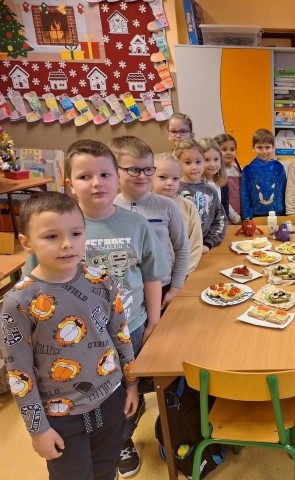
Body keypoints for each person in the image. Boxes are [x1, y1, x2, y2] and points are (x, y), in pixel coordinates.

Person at [0, 191, 138, 480]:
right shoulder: (18, 302)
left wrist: (132, 384)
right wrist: (38, 429)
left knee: (106, 470)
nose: (67, 244)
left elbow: (120, 335)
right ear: (26, 242)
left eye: (76, 233)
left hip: (110, 398)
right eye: (51, 236)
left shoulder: (101, 280)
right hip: (60, 415)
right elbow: (19, 373)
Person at [62, 140, 170, 477]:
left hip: (131, 325)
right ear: (69, 184)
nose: (97, 183)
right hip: (80, 336)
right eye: (85, 176)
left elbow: (152, 275)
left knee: (129, 389)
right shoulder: (58, 228)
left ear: (117, 177)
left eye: (105, 174)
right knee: (94, 393)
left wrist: (154, 321)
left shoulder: (136, 225)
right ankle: (102, 440)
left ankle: (123, 439)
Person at [110, 136, 189, 311]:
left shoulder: (167, 206)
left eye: (148, 169)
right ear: (115, 170)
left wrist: (176, 287)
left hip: (163, 285)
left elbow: (182, 248)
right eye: (133, 170)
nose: (142, 176)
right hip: (125, 290)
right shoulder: (109, 207)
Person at [153, 153, 203, 275]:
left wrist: (181, 273)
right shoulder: (141, 205)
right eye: (163, 177)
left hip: (181, 274)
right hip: (150, 277)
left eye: (175, 178)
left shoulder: (188, 206)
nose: (170, 183)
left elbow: (196, 244)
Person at [175, 139, 227, 253]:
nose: (194, 167)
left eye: (198, 162)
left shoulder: (210, 191)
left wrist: (208, 243)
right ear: (178, 164)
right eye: (188, 162)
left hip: (202, 249)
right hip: (177, 249)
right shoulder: (173, 189)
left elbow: (219, 221)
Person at [240, 128, 287, 219]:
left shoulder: (278, 168)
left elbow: (284, 190)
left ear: (273, 147)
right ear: (253, 147)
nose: (264, 151)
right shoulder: (248, 170)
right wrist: (247, 218)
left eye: (267, 147)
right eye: (260, 147)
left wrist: (286, 213)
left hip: (278, 214)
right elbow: (245, 196)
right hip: (256, 215)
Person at [200, 137, 240, 223]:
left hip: (218, 227)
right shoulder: (197, 184)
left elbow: (224, 208)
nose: (212, 164)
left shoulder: (222, 182)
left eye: (216, 159)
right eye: (206, 160)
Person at [214, 133, 243, 223]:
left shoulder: (238, 169)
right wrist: (236, 219)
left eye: (232, 149)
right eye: (224, 149)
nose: (229, 153)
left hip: (242, 216)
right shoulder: (215, 173)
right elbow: (222, 201)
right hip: (227, 218)